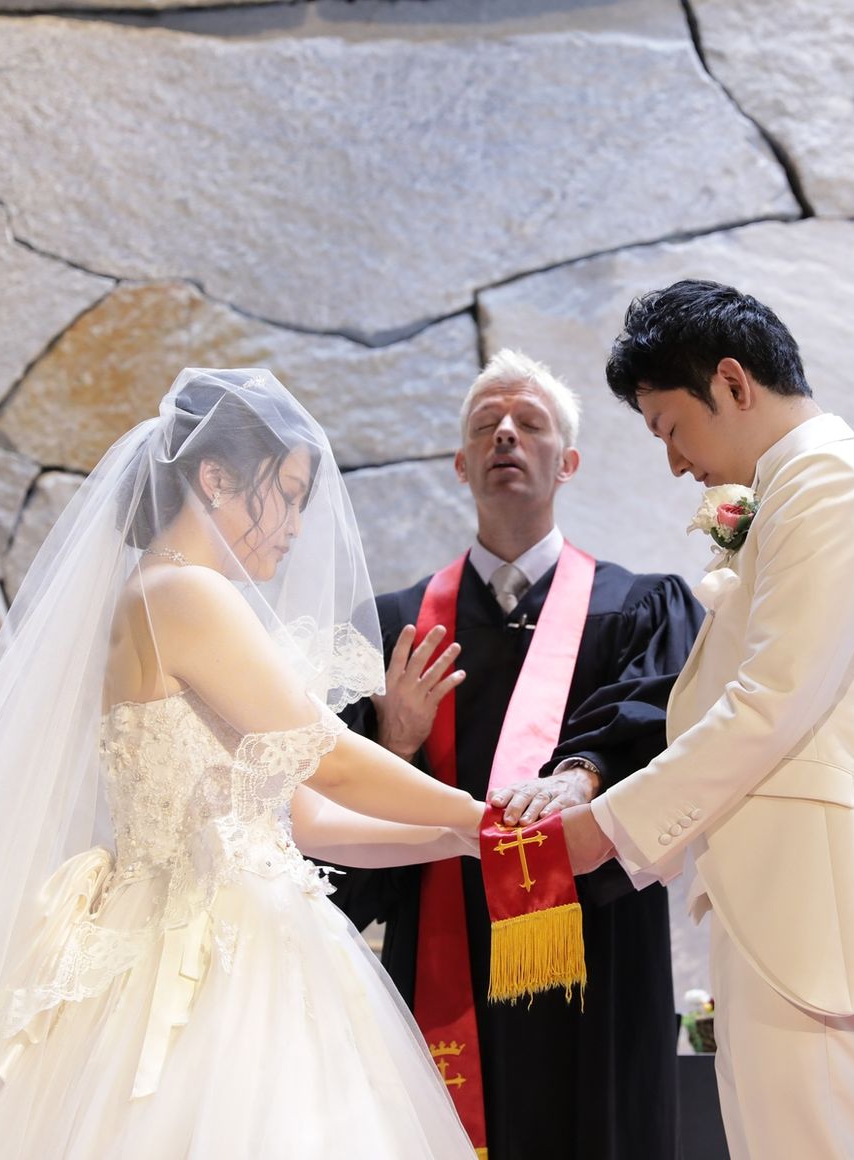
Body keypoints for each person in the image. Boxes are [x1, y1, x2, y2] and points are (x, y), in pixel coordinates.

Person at [0, 368, 483, 1158]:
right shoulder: (183, 594)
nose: (296, 526)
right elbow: (327, 758)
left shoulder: (175, 595)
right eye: (288, 494)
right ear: (214, 479)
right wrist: (480, 810)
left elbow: (307, 821)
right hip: (211, 952)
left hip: (214, 924)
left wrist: (460, 840)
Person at [561, 281, 854, 1159]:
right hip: (789, 922)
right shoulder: (792, 488)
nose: (675, 462)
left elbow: (770, 701)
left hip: (823, 924)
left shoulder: (827, 483)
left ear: (733, 383)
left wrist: (607, 829)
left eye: (671, 428)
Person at [331, 350, 705, 1160]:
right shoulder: (396, 628)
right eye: (485, 427)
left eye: (530, 423)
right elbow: (335, 814)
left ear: (567, 463)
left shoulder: (640, 610)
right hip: (444, 949)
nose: (506, 434)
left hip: (595, 956)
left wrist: (586, 772)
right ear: (460, 464)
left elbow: (667, 744)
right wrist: (395, 740)